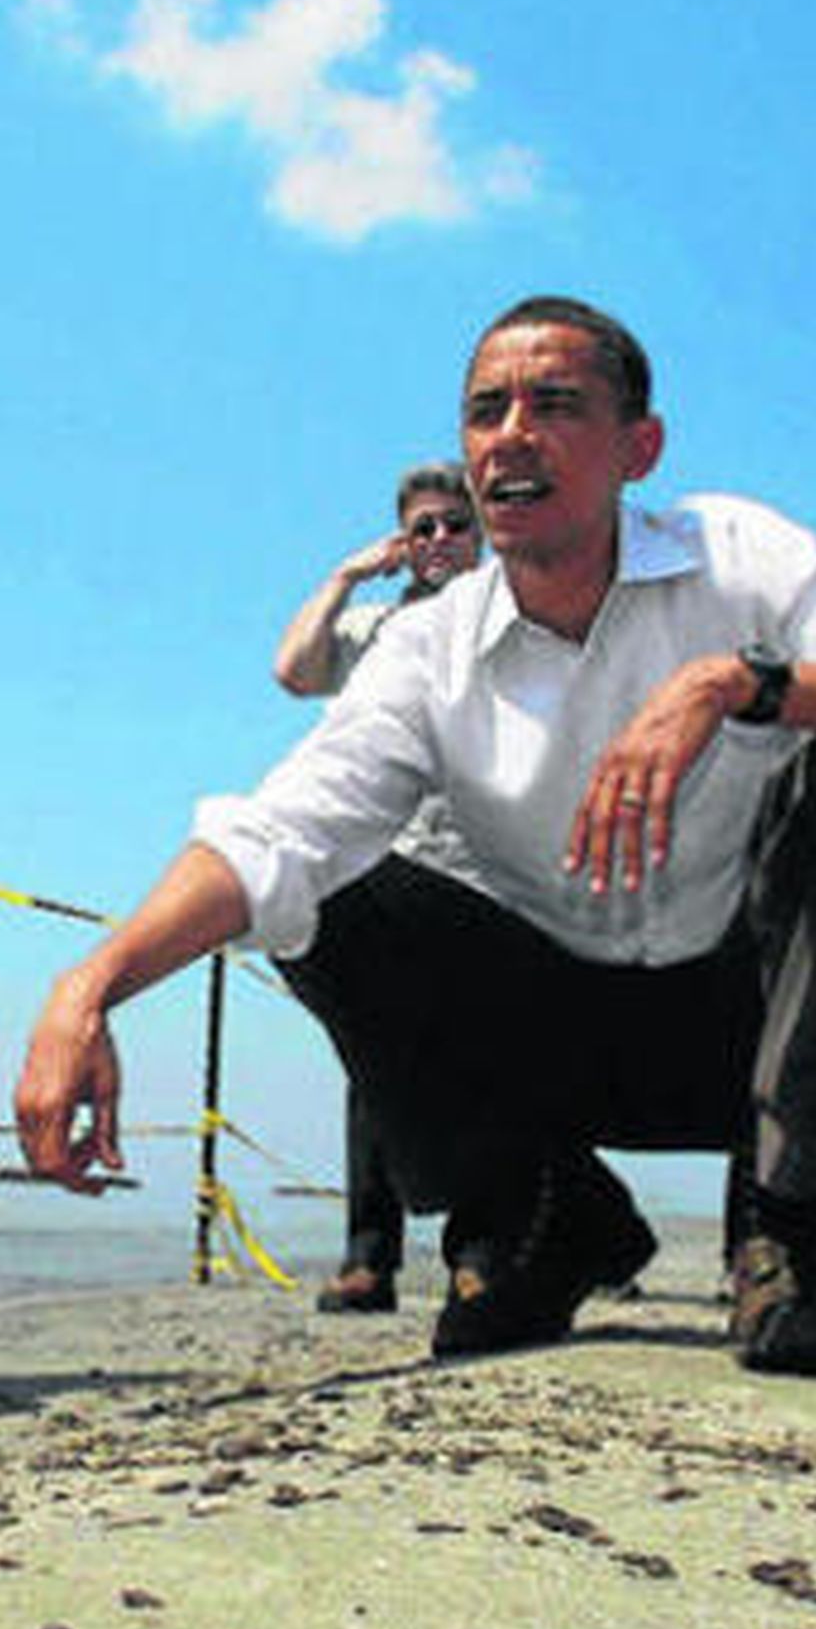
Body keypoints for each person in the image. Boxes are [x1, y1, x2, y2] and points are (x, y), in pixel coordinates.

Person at [15, 296, 816, 1381]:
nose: (510, 436)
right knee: (333, 895)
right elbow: (282, 830)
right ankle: (545, 1215)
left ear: (640, 448)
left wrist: (746, 684)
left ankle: (784, 1226)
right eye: (485, 411)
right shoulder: (426, 652)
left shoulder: (739, 561)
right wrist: (92, 984)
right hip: (550, 1038)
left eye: (554, 405)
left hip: (752, 1033)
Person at [274, 462, 482, 1314]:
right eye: (423, 528)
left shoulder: (515, 615)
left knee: (480, 1059)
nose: (439, 542)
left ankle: (480, 1250)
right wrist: (349, 573)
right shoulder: (372, 627)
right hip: (381, 866)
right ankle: (370, 1254)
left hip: (482, 868)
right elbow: (293, 670)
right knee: (373, 1054)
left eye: (454, 525)